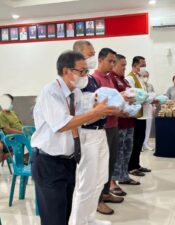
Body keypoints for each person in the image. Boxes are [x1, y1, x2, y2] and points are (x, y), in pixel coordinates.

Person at [31, 51, 120, 225]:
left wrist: (104, 112)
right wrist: (95, 112)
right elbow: (63, 124)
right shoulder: (51, 92)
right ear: (66, 71)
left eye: (86, 71)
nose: (85, 75)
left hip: (68, 161)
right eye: (81, 71)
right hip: (48, 162)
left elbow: (81, 120)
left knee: (65, 213)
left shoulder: (75, 93)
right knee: (53, 218)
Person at [71, 40, 112, 224]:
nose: (93, 57)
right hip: (87, 134)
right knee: (86, 183)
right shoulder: (75, 83)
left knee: (100, 178)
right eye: (90, 54)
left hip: (100, 131)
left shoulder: (93, 80)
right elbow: (79, 114)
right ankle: (78, 221)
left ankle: (89, 218)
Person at [92, 48, 125, 215]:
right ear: (100, 60)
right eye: (110, 61)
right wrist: (117, 109)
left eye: (114, 62)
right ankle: (97, 201)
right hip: (102, 127)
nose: (113, 64)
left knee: (110, 162)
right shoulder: (95, 79)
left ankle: (105, 193)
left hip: (113, 125)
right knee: (100, 165)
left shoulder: (109, 78)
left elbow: (115, 100)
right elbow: (98, 106)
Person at [110, 54, 141, 189]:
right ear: (114, 64)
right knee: (118, 152)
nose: (124, 68)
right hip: (119, 122)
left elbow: (132, 95)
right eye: (122, 65)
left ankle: (124, 176)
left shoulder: (125, 80)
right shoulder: (112, 79)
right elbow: (115, 99)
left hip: (129, 120)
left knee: (127, 150)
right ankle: (113, 181)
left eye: (125, 65)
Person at [125, 56, 151, 177]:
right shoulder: (130, 78)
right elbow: (133, 95)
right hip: (135, 114)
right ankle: (131, 166)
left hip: (143, 113)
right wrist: (146, 98)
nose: (144, 67)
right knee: (135, 142)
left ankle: (137, 164)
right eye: (142, 65)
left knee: (140, 141)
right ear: (135, 65)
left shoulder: (140, 78)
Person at [141, 70, 155, 151]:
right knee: (141, 126)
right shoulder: (140, 85)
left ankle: (146, 143)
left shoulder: (150, 86)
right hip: (141, 107)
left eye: (147, 76)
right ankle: (140, 144)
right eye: (144, 76)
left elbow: (153, 96)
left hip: (149, 107)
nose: (146, 78)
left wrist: (154, 106)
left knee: (148, 126)